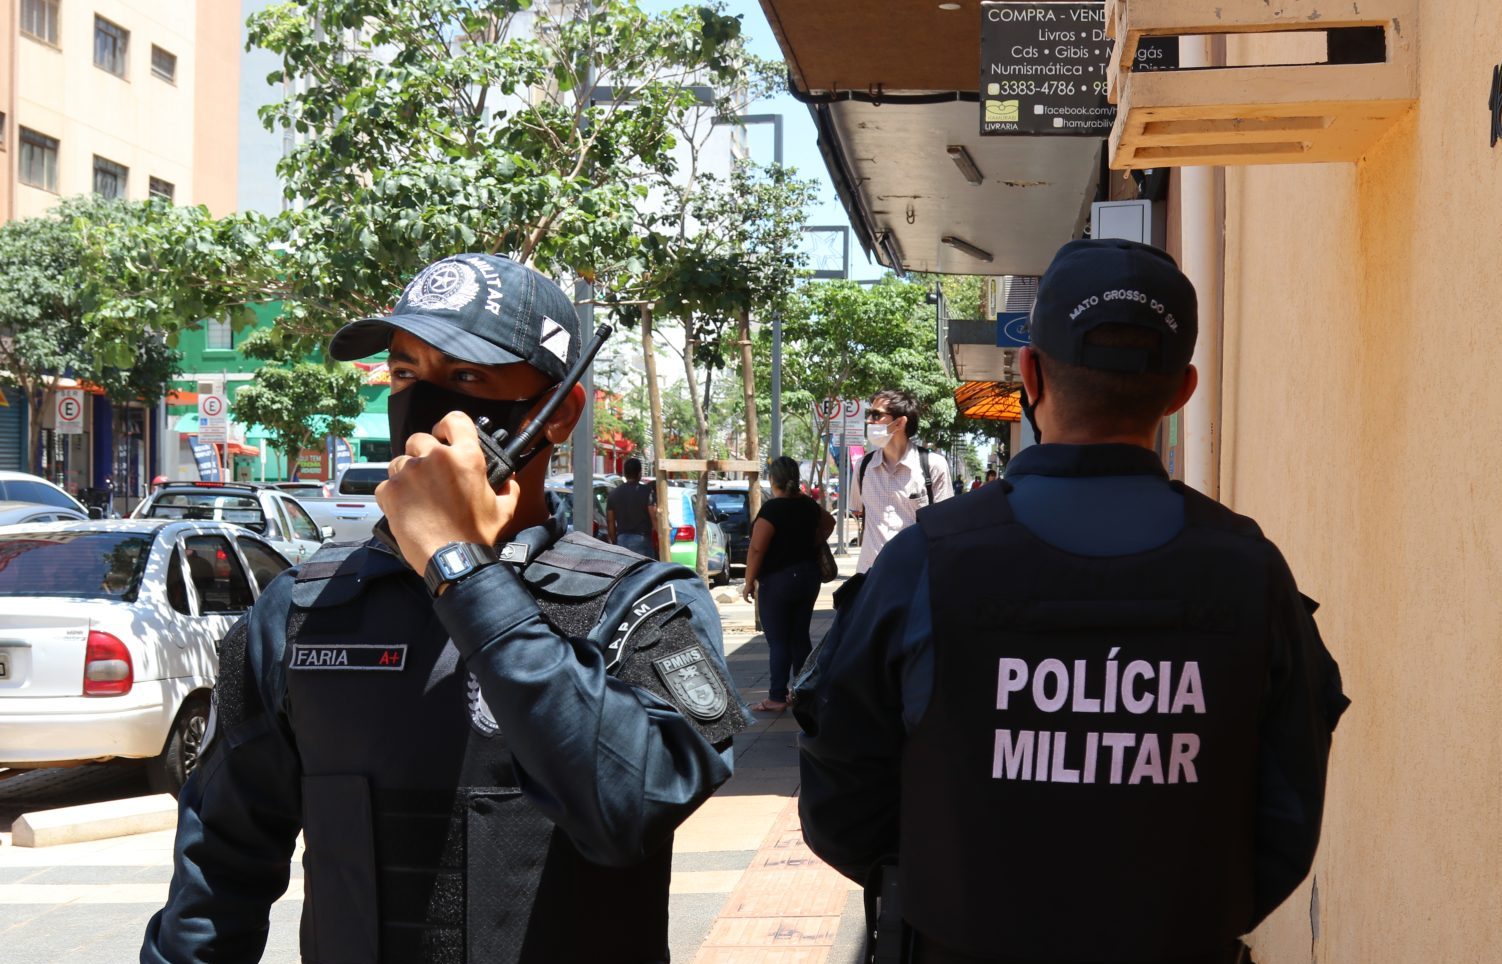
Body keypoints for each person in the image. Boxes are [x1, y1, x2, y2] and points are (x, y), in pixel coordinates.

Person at [142, 253, 749, 964]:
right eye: (406, 376)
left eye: (466, 378)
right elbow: (219, 872)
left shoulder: (641, 607)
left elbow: (628, 810)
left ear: (559, 413)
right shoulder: (303, 610)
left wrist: (463, 571)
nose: (425, 411)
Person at [797, 239, 1349, 964]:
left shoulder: (927, 562)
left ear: (1028, 373)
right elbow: (1287, 812)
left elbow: (841, 801)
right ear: (1183, 390)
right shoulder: (1250, 571)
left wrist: (951, 888)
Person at [740, 456, 835, 713]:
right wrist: (810, 542)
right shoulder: (808, 506)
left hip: (778, 580)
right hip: (808, 576)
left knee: (779, 640)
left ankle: (776, 697)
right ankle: (803, 692)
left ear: (773, 479)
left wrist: (749, 582)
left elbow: (757, 548)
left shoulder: (772, 510)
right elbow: (830, 522)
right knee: (799, 636)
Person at [849, 389, 952, 573]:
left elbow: (945, 526)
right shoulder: (863, 466)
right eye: (868, 414)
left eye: (876, 415)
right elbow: (858, 509)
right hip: (869, 577)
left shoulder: (934, 466)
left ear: (900, 422)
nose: (868, 420)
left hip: (913, 575)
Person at [606, 456, 657, 557]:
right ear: (639, 473)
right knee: (645, 571)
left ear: (625, 473)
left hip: (622, 540)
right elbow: (654, 518)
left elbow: (610, 522)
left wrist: (614, 541)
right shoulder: (647, 492)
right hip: (642, 539)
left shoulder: (613, 494)